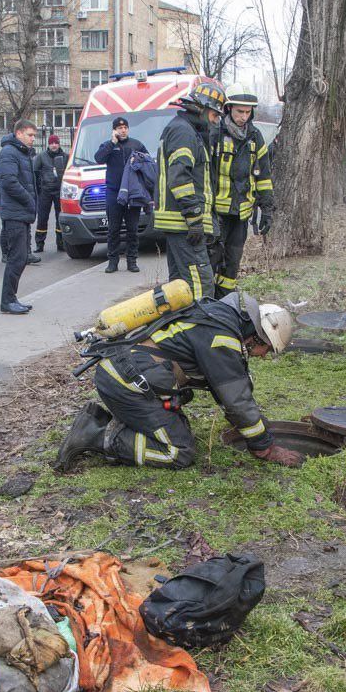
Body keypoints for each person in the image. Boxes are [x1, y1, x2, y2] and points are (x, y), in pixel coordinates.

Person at [54, 293, 305, 471]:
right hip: (127, 384)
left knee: (180, 431)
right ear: (259, 337)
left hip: (122, 374)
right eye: (268, 350)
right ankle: (96, 436)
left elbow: (228, 391)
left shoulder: (216, 316)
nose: (263, 357)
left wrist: (257, 428)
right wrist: (265, 447)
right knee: (179, 452)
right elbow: (236, 401)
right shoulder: (223, 339)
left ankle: (109, 422)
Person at [155, 83, 228, 299]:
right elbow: (179, 177)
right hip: (184, 222)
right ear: (202, 108)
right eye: (215, 114)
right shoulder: (183, 132)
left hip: (182, 222)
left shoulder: (186, 130)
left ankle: (183, 329)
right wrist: (194, 216)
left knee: (181, 285)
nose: (216, 120)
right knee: (200, 284)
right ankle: (201, 328)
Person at [208, 83, 273, 296]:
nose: (243, 117)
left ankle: (225, 302)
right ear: (228, 109)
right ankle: (207, 301)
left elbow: (264, 177)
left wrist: (267, 210)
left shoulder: (255, 138)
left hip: (241, 214)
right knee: (212, 258)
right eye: (239, 112)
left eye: (247, 112)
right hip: (217, 213)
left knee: (233, 262)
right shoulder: (215, 135)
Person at [94, 117, 149, 273]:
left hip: (132, 194)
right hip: (114, 193)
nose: (123, 130)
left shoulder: (136, 145)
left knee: (132, 229)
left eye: (125, 127)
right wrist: (112, 143)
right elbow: (98, 158)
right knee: (113, 229)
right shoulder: (108, 145)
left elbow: (147, 163)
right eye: (119, 128)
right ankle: (113, 262)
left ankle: (132, 261)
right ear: (114, 130)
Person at [0, 120, 38, 315]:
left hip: (20, 213)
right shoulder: (9, 153)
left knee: (20, 258)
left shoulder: (20, 153)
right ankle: (7, 301)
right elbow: (9, 182)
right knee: (17, 258)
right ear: (19, 133)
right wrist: (29, 201)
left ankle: (11, 298)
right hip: (15, 213)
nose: (33, 139)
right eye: (30, 135)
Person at [33, 134, 67, 253]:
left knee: (60, 218)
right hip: (45, 192)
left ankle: (61, 243)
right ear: (48, 144)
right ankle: (39, 244)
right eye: (52, 143)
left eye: (56, 143)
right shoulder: (41, 156)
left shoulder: (65, 157)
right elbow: (35, 172)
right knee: (42, 218)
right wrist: (39, 188)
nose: (54, 145)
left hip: (60, 192)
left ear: (59, 144)